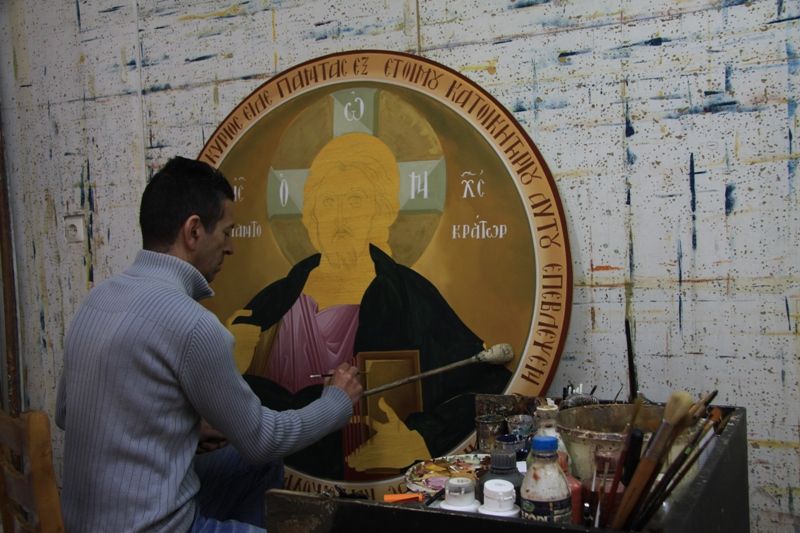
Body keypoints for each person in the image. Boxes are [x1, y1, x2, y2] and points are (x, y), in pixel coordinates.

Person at [55, 156, 363, 533]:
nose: (230, 248)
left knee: (253, 465)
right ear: (194, 231)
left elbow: (67, 413)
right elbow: (262, 439)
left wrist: (182, 428)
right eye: (226, 232)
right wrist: (336, 402)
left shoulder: (97, 299)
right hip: (154, 527)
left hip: (84, 523)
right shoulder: (193, 324)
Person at [229, 133, 510, 479]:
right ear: (311, 214)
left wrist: (421, 438)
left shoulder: (408, 296)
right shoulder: (270, 304)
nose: (339, 216)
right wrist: (231, 365)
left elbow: (490, 383)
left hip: (372, 479)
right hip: (279, 475)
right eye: (327, 201)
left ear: (381, 212)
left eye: (355, 200)